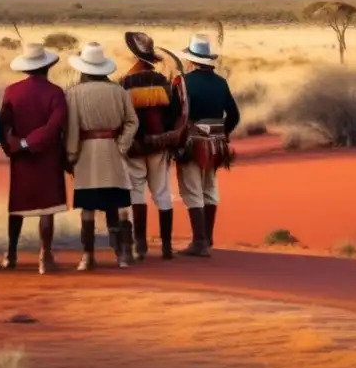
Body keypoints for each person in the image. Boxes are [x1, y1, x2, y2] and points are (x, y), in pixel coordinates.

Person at [65, 42, 139, 270]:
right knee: (116, 204)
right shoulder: (119, 91)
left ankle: (88, 257)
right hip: (113, 152)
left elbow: (72, 128)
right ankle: (123, 255)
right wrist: (122, 145)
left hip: (86, 154)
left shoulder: (73, 93)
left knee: (88, 207)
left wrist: (71, 154)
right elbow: (132, 121)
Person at [0, 42, 69, 275]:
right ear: (47, 66)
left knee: (18, 206)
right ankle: (44, 257)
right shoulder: (56, 92)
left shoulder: (11, 91)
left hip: (21, 158)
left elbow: (3, 124)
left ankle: (10, 254)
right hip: (47, 155)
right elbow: (55, 126)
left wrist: (13, 146)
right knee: (47, 207)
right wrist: (30, 142)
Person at [174, 34, 240, 257]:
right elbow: (234, 115)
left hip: (192, 144)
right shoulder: (221, 82)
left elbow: (176, 114)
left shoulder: (183, 82)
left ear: (191, 60)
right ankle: (207, 238)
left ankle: (199, 242)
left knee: (192, 190)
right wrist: (223, 134)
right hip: (216, 145)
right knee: (210, 188)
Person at [119, 31, 180, 261]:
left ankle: (140, 245)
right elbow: (174, 114)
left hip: (135, 146)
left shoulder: (125, 83)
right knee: (162, 193)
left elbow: (121, 117)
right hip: (160, 145)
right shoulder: (163, 81)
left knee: (136, 191)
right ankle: (166, 247)